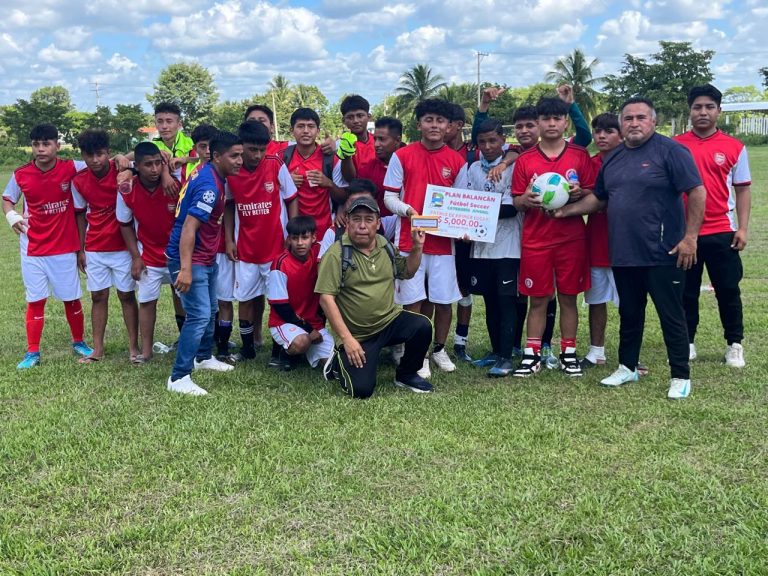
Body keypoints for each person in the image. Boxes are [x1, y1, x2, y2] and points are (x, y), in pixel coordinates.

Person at [555, 97, 706, 399]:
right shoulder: (612, 157)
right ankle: (627, 367)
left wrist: (690, 238)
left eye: (640, 118)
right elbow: (599, 198)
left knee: (671, 314)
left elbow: (697, 191)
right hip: (624, 252)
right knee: (630, 313)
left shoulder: (671, 151)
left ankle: (680, 375)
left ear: (653, 121)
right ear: (621, 124)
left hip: (665, 252)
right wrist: (564, 212)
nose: (634, 123)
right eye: (628, 118)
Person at [511, 97, 596, 378]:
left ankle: (568, 352)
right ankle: (531, 354)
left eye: (557, 118)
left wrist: (578, 192)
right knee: (538, 299)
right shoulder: (525, 160)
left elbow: (593, 194)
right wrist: (526, 199)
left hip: (571, 238)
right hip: (536, 239)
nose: (551, 123)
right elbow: (517, 200)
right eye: (545, 119)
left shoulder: (579, 156)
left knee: (568, 297)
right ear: (538, 124)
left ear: (565, 122)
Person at [316, 196, 432, 398]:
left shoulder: (384, 245)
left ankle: (406, 374)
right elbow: (326, 299)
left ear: (378, 223)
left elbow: (407, 272)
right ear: (348, 223)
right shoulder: (336, 254)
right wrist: (347, 339)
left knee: (422, 326)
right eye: (356, 219)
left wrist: (417, 247)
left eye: (368, 219)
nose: (362, 225)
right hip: (358, 335)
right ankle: (337, 360)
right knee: (361, 391)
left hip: (388, 322)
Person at [383, 98, 467, 378]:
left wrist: (465, 226)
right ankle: (414, 353)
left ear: (448, 126)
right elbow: (389, 197)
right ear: (419, 124)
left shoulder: (457, 161)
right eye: (428, 120)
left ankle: (438, 349)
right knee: (413, 300)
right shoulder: (403, 155)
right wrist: (407, 210)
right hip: (410, 241)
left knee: (443, 301)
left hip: (444, 244)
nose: (434, 125)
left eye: (440, 121)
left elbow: (462, 204)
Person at [2, 123, 93, 369]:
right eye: (36, 144)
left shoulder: (71, 167)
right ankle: (32, 352)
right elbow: (8, 199)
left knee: (71, 298)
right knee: (36, 300)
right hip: (32, 248)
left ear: (57, 145)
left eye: (46, 144)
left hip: (64, 247)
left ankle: (78, 342)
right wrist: (12, 217)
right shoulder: (21, 174)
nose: (40, 149)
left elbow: (102, 162)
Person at [675, 84, 751, 368]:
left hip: (722, 232)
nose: (703, 112)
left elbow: (742, 189)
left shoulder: (735, 147)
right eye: (697, 107)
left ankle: (734, 344)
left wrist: (742, 228)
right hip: (685, 235)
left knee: (728, 290)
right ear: (690, 111)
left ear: (718, 111)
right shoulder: (676, 145)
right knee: (686, 291)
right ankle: (688, 342)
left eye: (709, 107)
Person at [165, 131, 244, 396]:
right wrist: (185, 268)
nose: (239, 161)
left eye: (241, 155)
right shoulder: (210, 186)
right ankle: (179, 377)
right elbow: (189, 227)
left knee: (210, 309)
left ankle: (202, 357)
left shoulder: (209, 173)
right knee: (198, 315)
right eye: (234, 156)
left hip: (205, 256)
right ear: (217, 156)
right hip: (191, 258)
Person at [224, 121, 298, 362]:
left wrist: (293, 234)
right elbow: (228, 205)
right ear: (240, 147)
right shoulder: (231, 170)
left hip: (275, 248)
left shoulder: (275, 164)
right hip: (245, 249)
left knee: (278, 300)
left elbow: (291, 198)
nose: (256, 155)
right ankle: (248, 349)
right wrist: (228, 239)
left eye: (261, 149)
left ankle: (279, 349)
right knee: (244, 300)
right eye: (251, 149)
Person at [72, 129, 139, 363]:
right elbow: (80, 215)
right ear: (83, 155)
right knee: (98, 297)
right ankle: (97, 349)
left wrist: (125, 158)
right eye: (89, 155)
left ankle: (134, 348)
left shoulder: (122, 171)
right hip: (95, 247)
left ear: (108, 153)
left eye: (100, 154)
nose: (95, 160)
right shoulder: (78, 181)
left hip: (123, 247)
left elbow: (146, 154)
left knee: (126, 296)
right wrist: (80, 249)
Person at [464, 119, 522, 377]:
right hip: (481, 246)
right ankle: (495, 350)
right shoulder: (473, 168)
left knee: (506, 302)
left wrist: (479, 209)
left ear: (502, 140)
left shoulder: (513, 166)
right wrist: (465, 221)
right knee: (489, 301)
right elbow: (463, 202)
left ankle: (507, 357)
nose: (488, 146)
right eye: (482, 142)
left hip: (508, 247)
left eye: (493, 141)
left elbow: (513, 207)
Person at [116, 142, 181, 363]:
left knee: (183, 298)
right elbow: (125, 224)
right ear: (137, 166)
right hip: (148, 256)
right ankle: (146, 351)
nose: (153, 169)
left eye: (157, 164)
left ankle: (185, 342)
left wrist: (166, 173)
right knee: (147, 301)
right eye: (148, 165)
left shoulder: (175, 184)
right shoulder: (127, 189)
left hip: (176, 255)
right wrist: (136, 257)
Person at [580, 113, 622, 369]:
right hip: (595, 242)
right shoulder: (590, 162)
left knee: (629, 303)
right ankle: (596, 351)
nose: (602, 136)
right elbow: (583, 193)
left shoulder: (631, 161)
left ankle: (633, 353)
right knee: (595, 300)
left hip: (625, 245)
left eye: (609, 131)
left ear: (622, 134)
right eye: (598, 132)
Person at [267, 216, 333, 370]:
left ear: (314, 238)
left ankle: (304, 350)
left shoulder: (318, 252)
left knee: (334, 361)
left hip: (312, 322)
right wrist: (310, 331)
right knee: (302, 342)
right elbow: (281, 308)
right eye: (295, 238)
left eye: (305, 237)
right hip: (283, 322)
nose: (300, 243)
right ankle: (284, 354)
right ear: (288, 239)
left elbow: (336, 239)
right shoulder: (280, 264)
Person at [285, 107, 346, 233]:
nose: (306, 131)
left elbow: (344, 197)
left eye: (311, 126)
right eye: (300, 126)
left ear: (317, 131)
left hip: (326, 227)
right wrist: (285, 182)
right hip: (295, 232)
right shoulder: (282, 158)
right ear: (292, 130)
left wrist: (329, 183)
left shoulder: (331, 159)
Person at [336, 94, 375, 184]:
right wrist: (346, 155)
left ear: (369, 117)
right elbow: (349, 178)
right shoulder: (340, 145)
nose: (356, 121)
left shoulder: (378, 142)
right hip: (356, 195)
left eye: (360, 115)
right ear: (343, 121)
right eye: (350, 117)